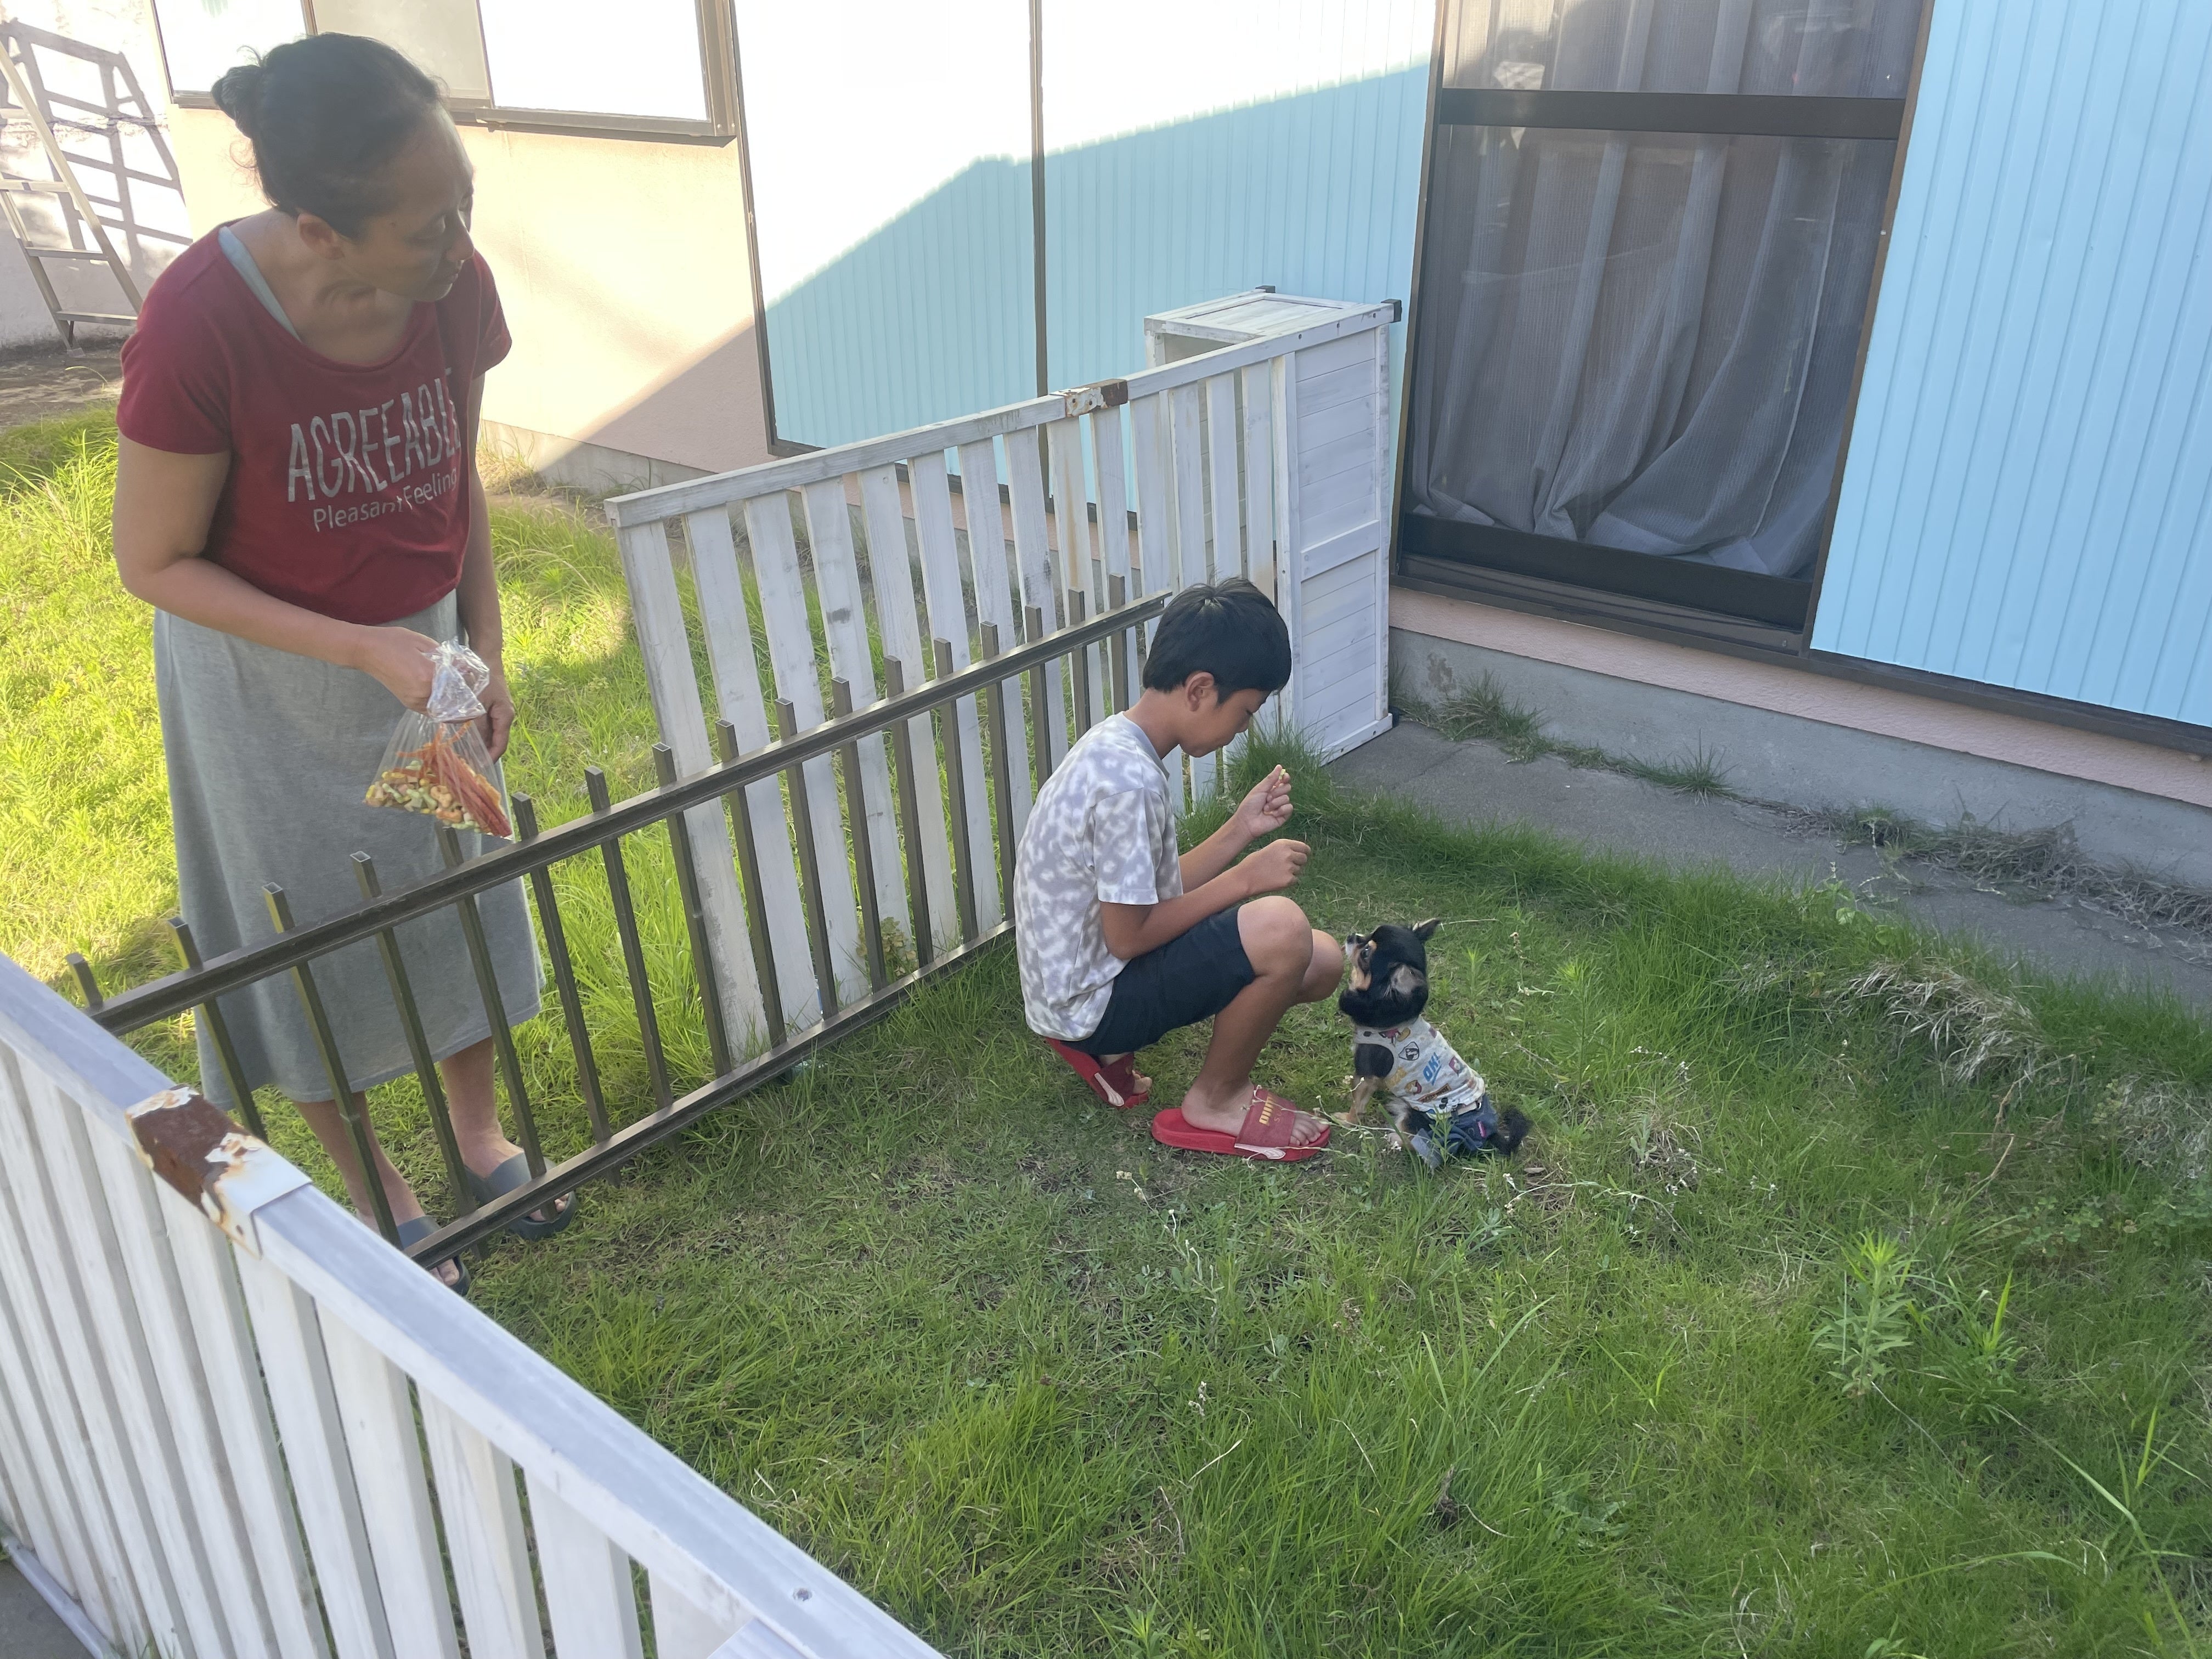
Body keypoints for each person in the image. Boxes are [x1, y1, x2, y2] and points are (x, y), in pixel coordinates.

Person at [110, 33, 572, 1289]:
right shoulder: (200, 323)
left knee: (454, 888)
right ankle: (376, 1186)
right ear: (320, 228)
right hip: (266, 678)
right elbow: (152, 559)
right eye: (428, 227)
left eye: (463, 204)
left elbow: (458, 475)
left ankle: (478, 1136)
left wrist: (480, 640)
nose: (458, 244)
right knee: (303, 920)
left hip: (421, 650)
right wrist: (361, 646)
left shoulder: (451, 286)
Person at [1014, 578, 1341, 1160]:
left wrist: (1241, 829)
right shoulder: (1131, 785)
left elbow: (1146, 895)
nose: (1243, 730)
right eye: (1244, 713)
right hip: (1089, 1001)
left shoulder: (1116, 745)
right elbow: (1129, 935)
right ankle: (1215, 1100)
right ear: (1200, 689)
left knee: (1321, 962)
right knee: (1281, 927)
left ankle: (1112, 1056)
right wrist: (1245, 879)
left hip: (1078, 983)